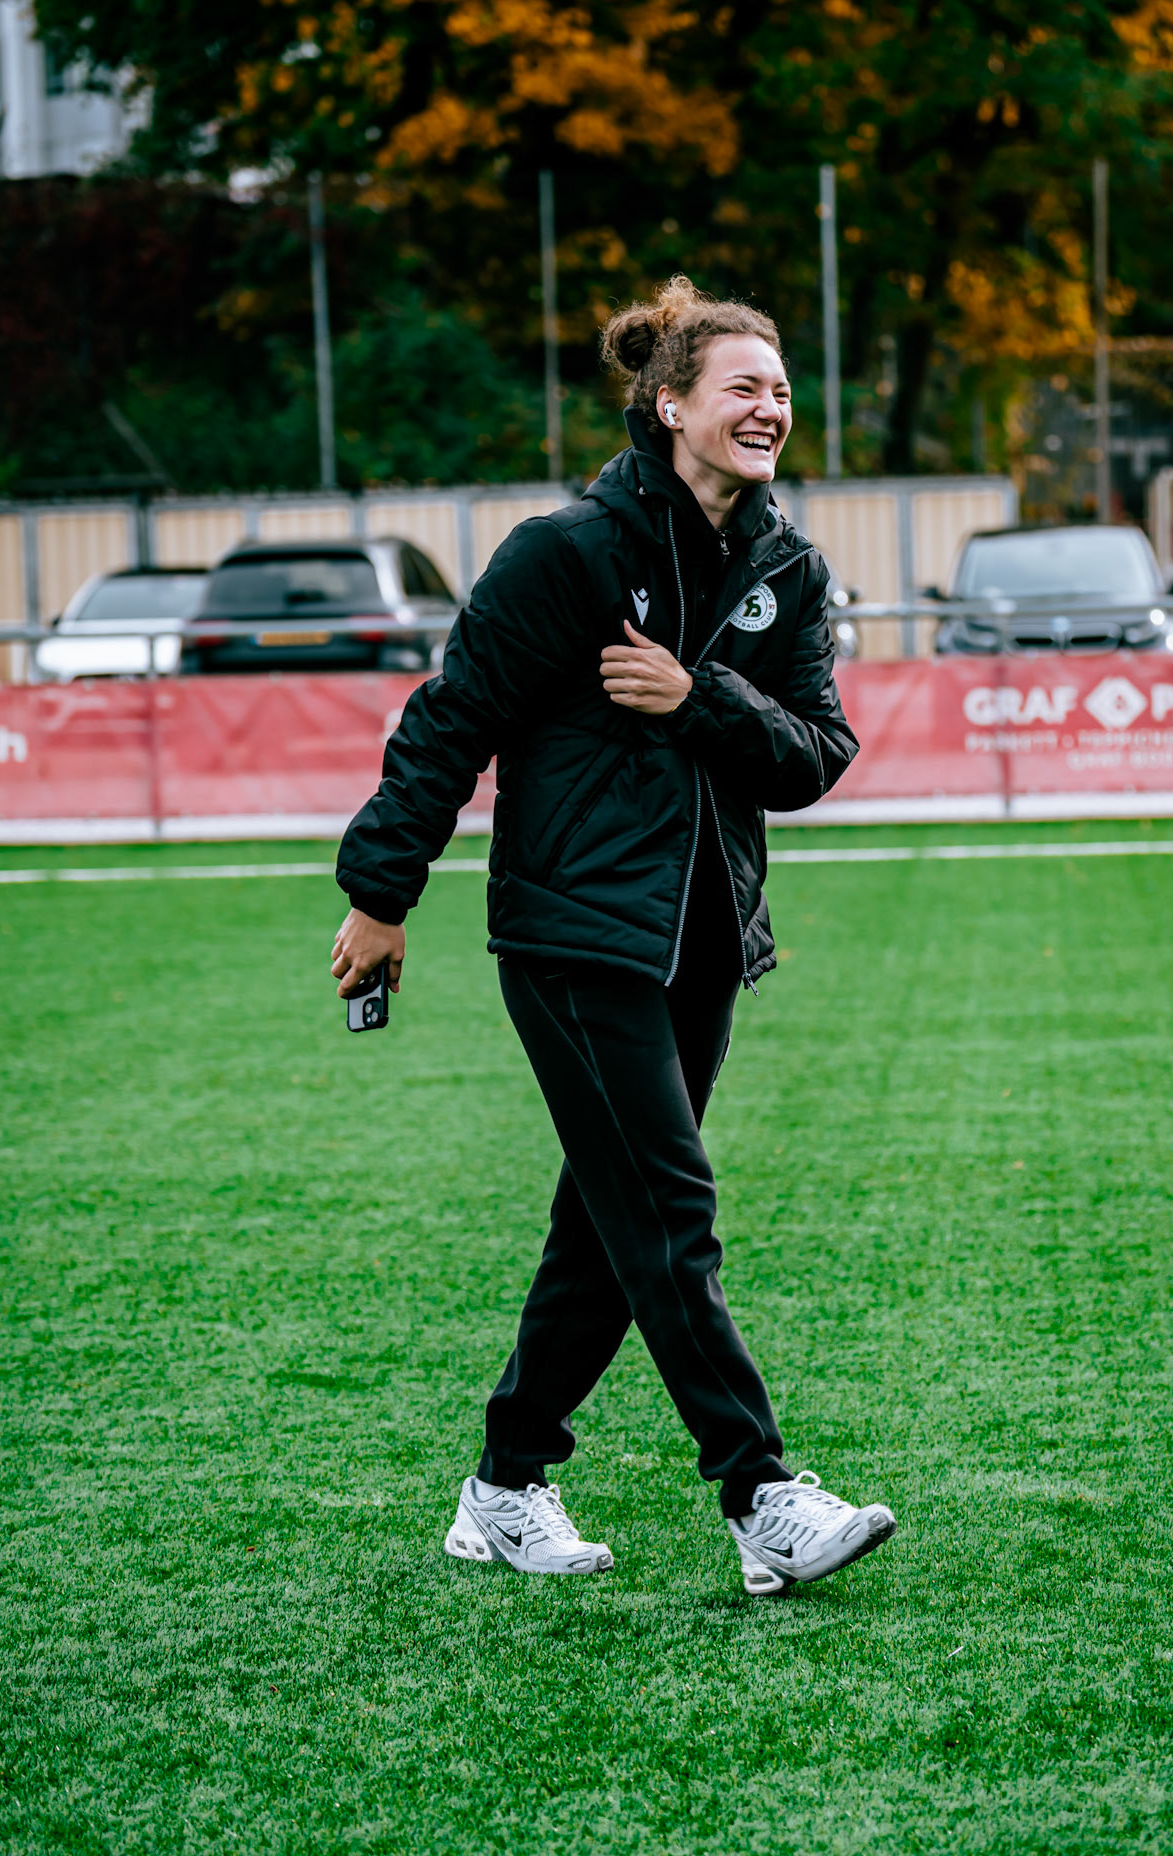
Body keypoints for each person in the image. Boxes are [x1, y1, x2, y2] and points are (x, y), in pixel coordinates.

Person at [332, 276, 897, 1595]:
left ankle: (504, 1484)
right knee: (667, 1205)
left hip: (707, 942)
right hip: (574, 934)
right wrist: (382, 893)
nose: (770, 408)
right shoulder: (567, 551)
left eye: (780, 390)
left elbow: (814, 757)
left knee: (611, 1218)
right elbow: (451, 719)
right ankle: (760, 1494)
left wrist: (695, 696)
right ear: (670, 406)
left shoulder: (787, 568)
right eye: (742, 387)